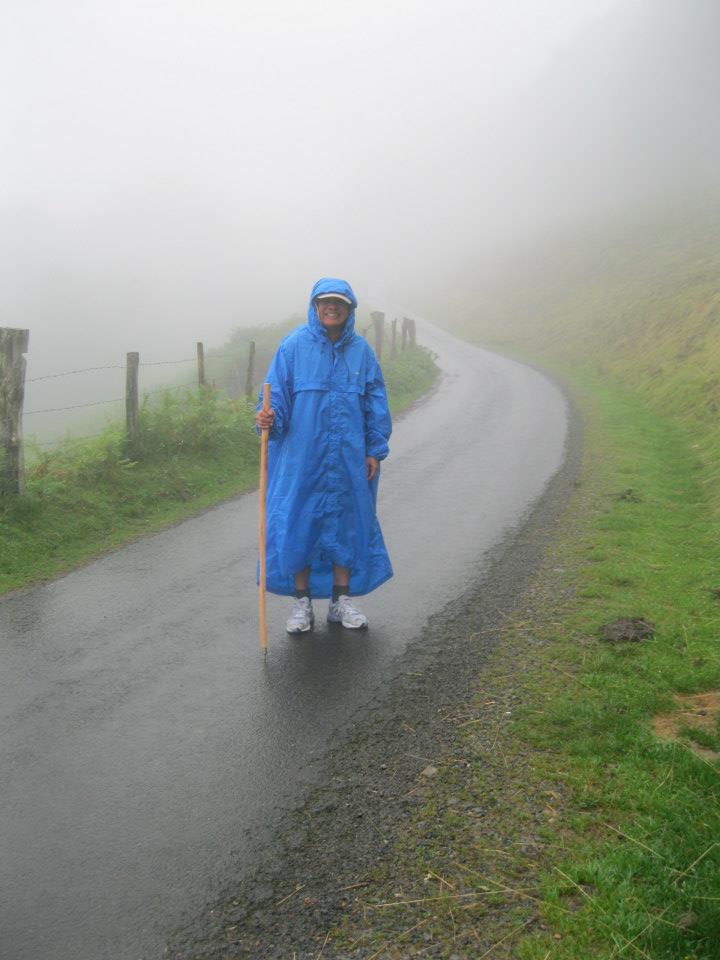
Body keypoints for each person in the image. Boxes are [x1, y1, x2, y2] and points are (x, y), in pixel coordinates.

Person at [255, 277, 393, 633]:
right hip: (301, 458)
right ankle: (301, 604)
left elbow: (375, 401)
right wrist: (268, 418)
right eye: (325, 301)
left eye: (339, 303)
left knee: (346, 523)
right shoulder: (293, 346)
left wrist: (374, 449)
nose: (332, 307)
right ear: (315, 306)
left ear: (350, 309)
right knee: (299, 521)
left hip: (348, 455)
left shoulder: (361, 351)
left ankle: (340, 602)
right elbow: (275, 397)